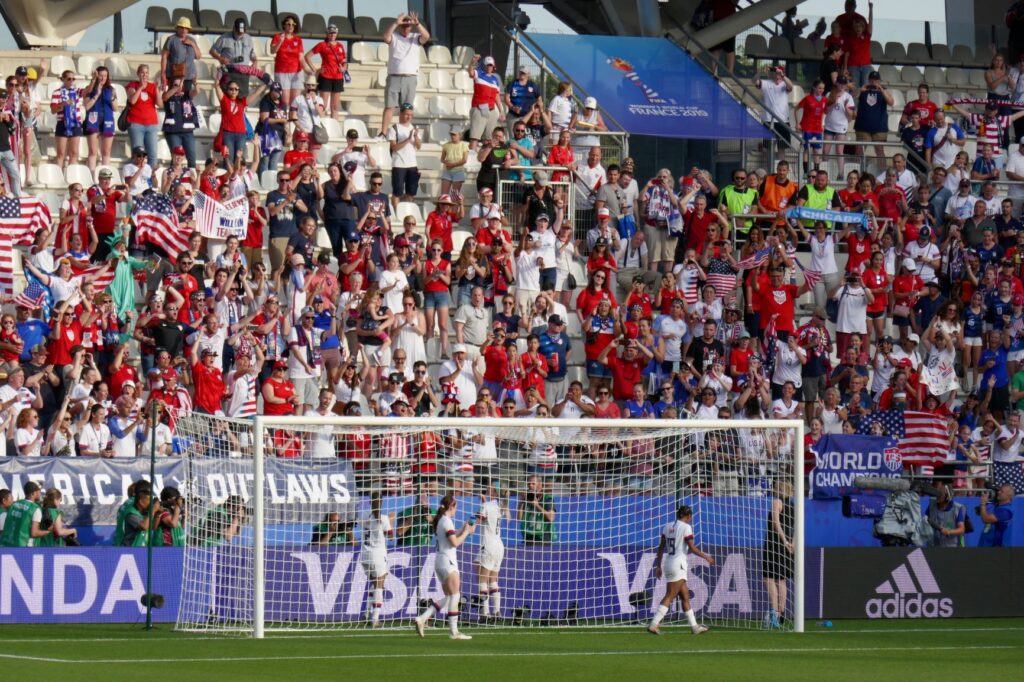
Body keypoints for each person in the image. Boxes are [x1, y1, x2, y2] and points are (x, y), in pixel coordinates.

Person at [414, 493, 475, 639]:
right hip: (448, 561)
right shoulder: (446, 521)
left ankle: (422, 618)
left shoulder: (441, 520)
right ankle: (454, 632)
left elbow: (451, 536)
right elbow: (455, 543)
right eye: (456, 508)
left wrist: (463, 529)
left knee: (448, 597)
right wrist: (466, 533)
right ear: (451, 506)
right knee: (455, 595)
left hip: (440, 561)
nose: (456, 511)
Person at [646, 504, 713, 636]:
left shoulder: (667, 526)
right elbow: (692, 548)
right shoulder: (686, 527)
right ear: (688, 516)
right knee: (670, 596)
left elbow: (660, 548)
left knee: (685, 596)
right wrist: (707, 557)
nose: (691, 519)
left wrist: (658, 566)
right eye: (690, 517)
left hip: (668, 563)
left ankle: (694, 627)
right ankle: (654, 624)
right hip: (679, 564)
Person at [379, 13, 430, 137]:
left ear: (411, 27)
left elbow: (426, 36)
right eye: (403, 26)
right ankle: (383, 132)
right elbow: (386, 37)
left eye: (407, 26)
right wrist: (396, 23)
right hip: (394, 76)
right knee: (389, 106)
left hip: (410, 77)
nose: (405, 28)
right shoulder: (394, 36)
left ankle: (404, 132)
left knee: (407, 108)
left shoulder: (415, 37)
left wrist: (417, 24)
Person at [762, 478, 795, 629]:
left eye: (775, 486)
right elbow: (796, 526)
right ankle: (781, 614)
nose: (773, 488)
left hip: (775, 544)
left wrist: (784, 540)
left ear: (780, 488)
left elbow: (776, 523)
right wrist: (792, 542)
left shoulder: (777, 502)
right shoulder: (793, 505)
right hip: (788, 547)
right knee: (781, 580)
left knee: (769, 578)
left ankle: (774, 613)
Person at [359, 493, 394, 627]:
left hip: (365, 554)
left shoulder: (363, 515)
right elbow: (391, 537)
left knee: (374, 583)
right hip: (377, 555)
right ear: (380, 503)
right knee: (379, 585)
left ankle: (367, 613)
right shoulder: (384, 519)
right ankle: (375, 618)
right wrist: (391, 521)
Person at [475, 478, 507, 620]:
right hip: (499, 545)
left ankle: (485, 613)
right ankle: (497, 611)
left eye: (489, 487)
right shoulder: (501, 506)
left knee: (483, 579)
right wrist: (483, 502)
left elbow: (479, 519)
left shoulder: (487, 505)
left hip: (488, 544)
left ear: (493, 491)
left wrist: (469, 524)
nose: (487, 489)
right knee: (493, 579)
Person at [303, 23, 347, 120]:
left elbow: (344, 61)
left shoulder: (340, 46)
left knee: (335, 106)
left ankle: (334, 127)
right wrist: (314, 69)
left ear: (337, 33)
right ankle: (323, 124)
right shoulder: (322, 45)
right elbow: (307, 56)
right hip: (326, 76)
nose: (332, 35)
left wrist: (343, 68)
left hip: (338, 77)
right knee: (324, 105)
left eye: (334, 33)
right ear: (327, 34)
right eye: (330, 33)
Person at [160, 16, 201, 93]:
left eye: (186, 28)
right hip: (174, 74)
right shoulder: (171, 39)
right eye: (181, 27)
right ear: (177, 28)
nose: (184, 30)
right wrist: (163, 73)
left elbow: (198, 56)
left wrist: (192, 44)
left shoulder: (192, 40)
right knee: (173, 98)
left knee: (186, 99)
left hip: (189, 75)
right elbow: (164, 56)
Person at [0, 481, 46, 547]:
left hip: (9, 544)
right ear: (34, 493)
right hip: (25, 546)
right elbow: (34, 533)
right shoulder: (35, 508)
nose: (40, 493)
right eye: (39, 491)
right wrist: (48, 532)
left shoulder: (14, 504)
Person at [518, 474, 556, 544]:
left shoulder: (547, 498)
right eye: (529, 484)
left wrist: (536, 505)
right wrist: (521, 502)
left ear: (540, 485)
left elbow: (551, 518)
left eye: (533, 484)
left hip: (543, 538)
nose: (530, 486)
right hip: (529, 536)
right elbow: (519, 519)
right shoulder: (528, 498)